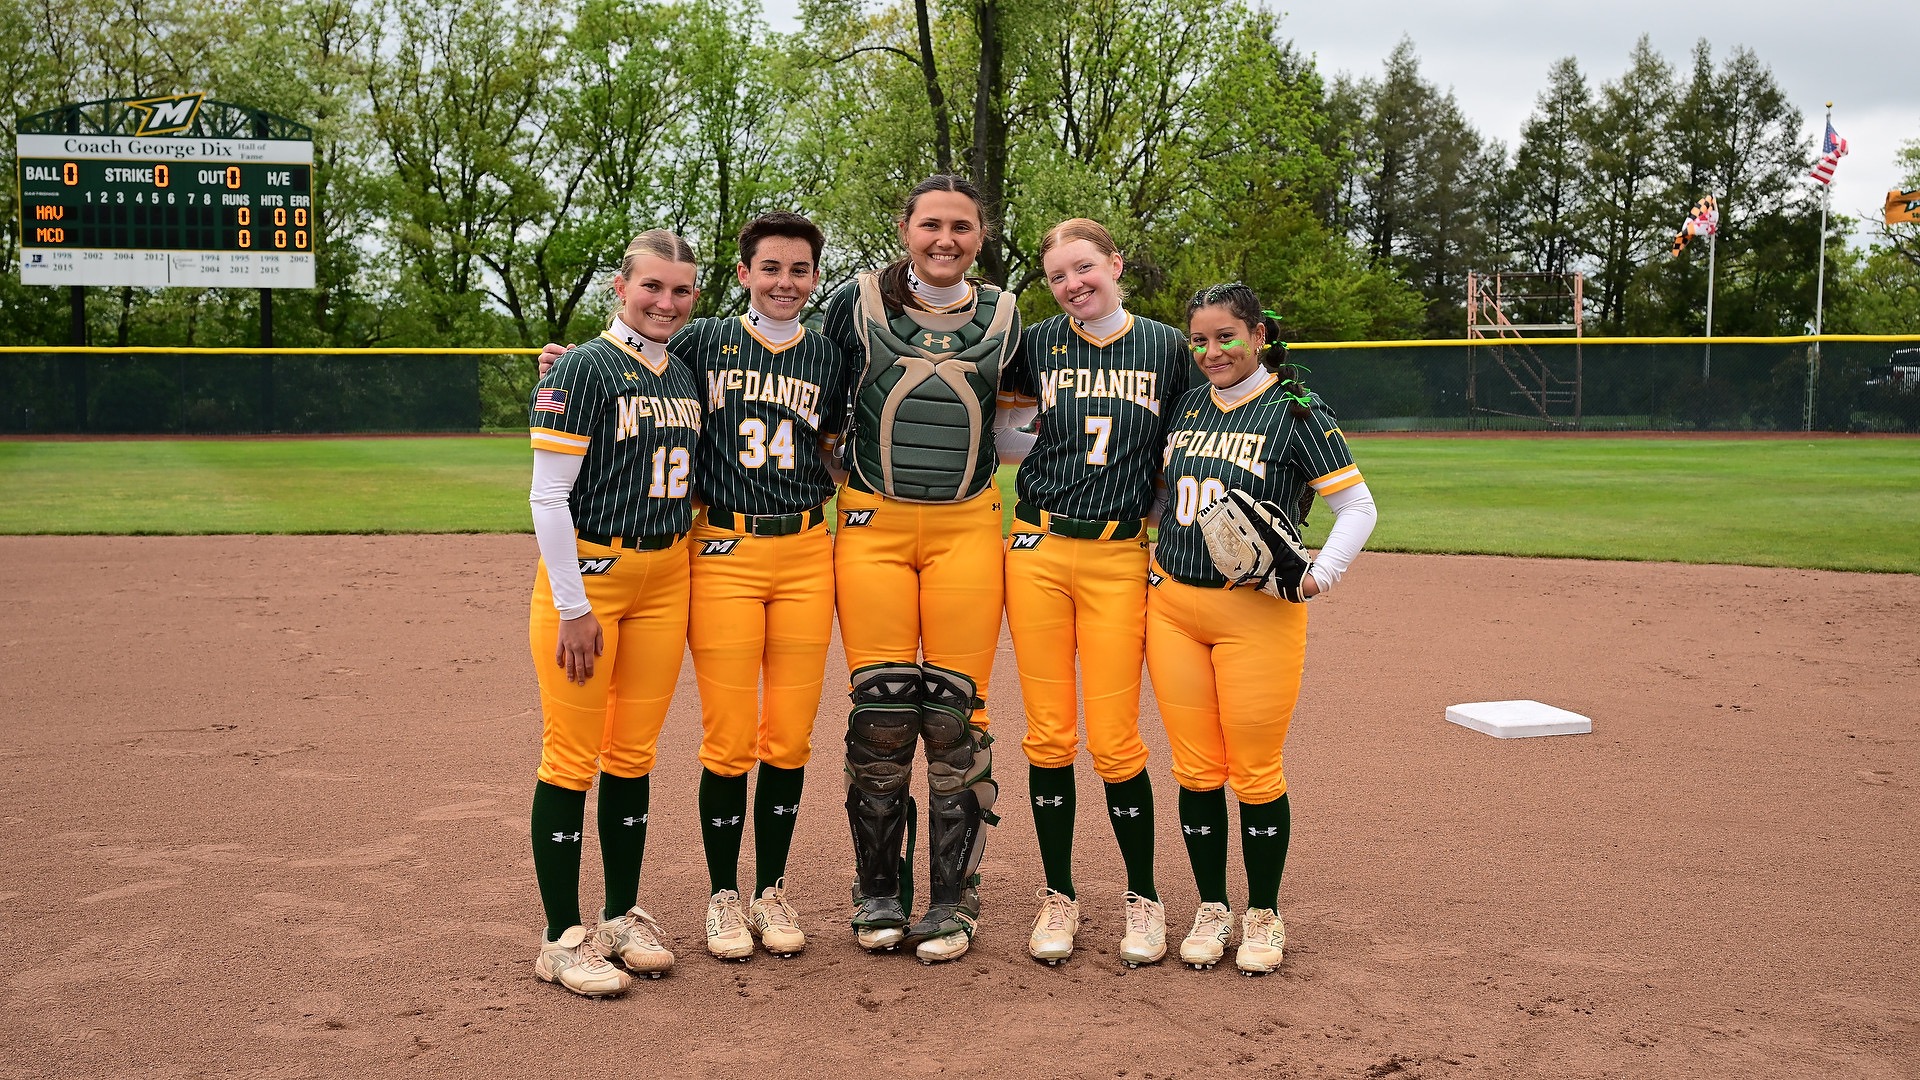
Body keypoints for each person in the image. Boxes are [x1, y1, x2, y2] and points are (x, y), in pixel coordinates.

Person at [821, 174, 1023, 964]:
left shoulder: (1008, 315)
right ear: (904, 227)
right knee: (880, 716)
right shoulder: (853, 301)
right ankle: (877, 891)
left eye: (962, 227)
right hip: (871, 528)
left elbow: (1042, 417)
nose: (946, 239)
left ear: (980, 236)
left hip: (968, 530)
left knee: (954, 716)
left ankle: (952, 899)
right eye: (931, 224)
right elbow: (789, 380)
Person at [1147, 282, 1378, 976]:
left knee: (1252, 771)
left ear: (1259, 334)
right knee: (1194, 770)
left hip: (1258, 615)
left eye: (1226, 336)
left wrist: (1317, 575)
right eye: (1201, 339)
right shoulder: (1187, 405)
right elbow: (1166, 497)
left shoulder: (1295, 409)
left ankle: (1264, 913)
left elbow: (1358, 506)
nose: (1212, 351)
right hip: (1173, 610)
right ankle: (1212, 906)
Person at [998, 219, 1193, 967]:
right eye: (1058, 276)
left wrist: (1154, 513)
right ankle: (1059, 894)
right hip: (1038, 547)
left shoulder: (1169, 347)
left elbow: (1183, 443)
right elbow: (1011, 433)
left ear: (1114, 264)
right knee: (1049, 734)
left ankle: (1143, 897)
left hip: (1117, 555)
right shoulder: (1039, 342)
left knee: (1115, 740)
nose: (1074, 284)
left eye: (1084, 268)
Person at [524, 229, 703, 998]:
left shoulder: (685, 371)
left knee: (633, 754)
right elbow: (548, 495)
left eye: (681, 291)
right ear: (619, 289)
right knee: (571, 757)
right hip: (592, 577)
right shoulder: (585, 368)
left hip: (666, 574)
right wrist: (572, 605)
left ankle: (621, 913)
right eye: (652, 287)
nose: (666, 302)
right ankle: (561, 935)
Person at [672, 213, 847, 961]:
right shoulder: (703, 339)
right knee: (730, 734)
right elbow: (632, 363)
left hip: (808, 549)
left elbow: (837, 449)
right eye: (770, 268)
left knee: (790, 735)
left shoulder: (830, 355)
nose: (785, 283)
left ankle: (771, 888)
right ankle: (721, 895)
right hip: (723, 546)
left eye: (800, 270)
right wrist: (566, 361)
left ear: (815, 277)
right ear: (743, 274)